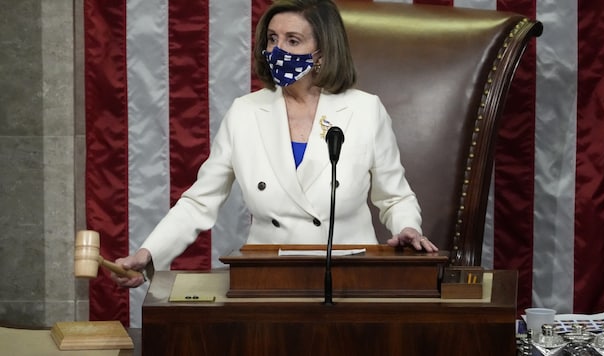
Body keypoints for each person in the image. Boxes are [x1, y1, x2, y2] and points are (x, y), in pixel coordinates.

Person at [112, 0, 438, 288]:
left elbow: (394, 197)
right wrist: (148, 252)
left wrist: (408, 227)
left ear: (322, 54)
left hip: (349, 273)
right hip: (267, 275)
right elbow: (199, 202)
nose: (277, 51)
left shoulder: (365, 110)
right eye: (272, 39)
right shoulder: (245, 112)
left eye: (292, 40)